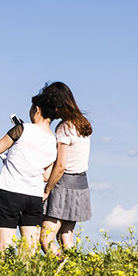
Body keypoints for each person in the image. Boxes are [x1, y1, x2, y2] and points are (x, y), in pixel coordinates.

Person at [0, 88, 61, 253]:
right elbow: (46, 176)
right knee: (29, 250)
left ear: (36, 110)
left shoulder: (22, 129)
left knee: (6, 247)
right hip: (34, 197)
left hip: (9, 192)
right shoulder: (54, 141)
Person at [40, 82, 92, 254]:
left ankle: (63, 272)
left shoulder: (64, 127)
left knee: (46, 237)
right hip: (81, 183)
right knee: (66, 235)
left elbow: (61, 165)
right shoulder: (82, 123)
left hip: (64, 184)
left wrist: (47, 189)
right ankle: (73, 270)